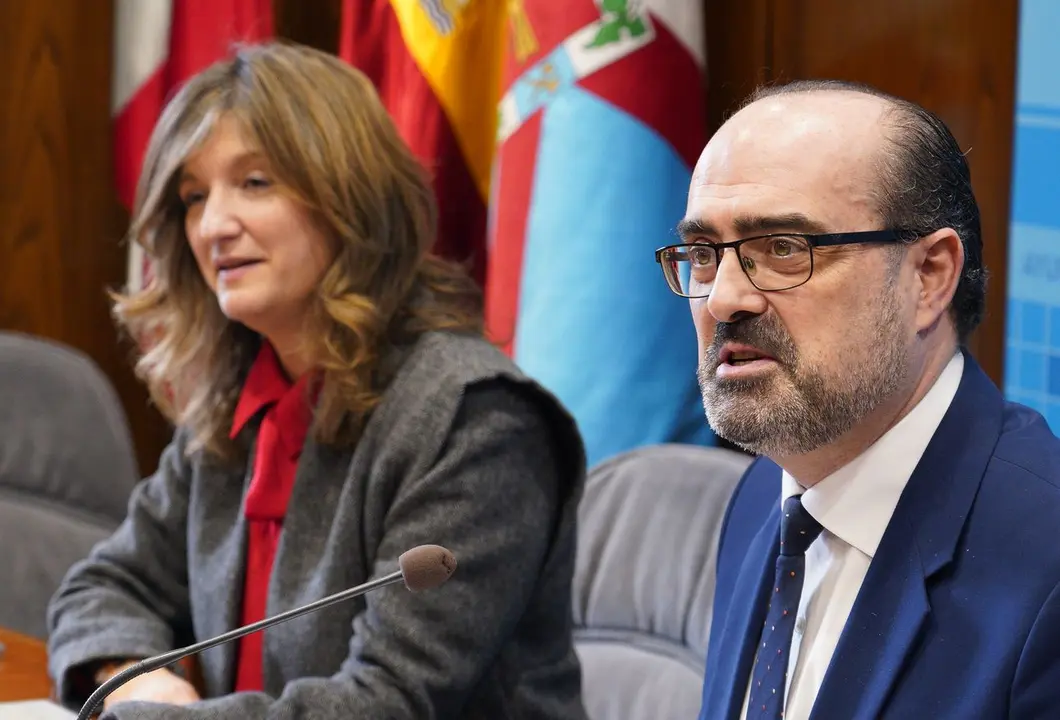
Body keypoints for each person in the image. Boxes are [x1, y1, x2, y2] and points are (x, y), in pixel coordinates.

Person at [46, 41, 588, 720]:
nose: (214, 224)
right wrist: (137, 682)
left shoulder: (476, 421)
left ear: (350, 195)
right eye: (192, 196)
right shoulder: (243, 400)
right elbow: (101, 587)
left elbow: (385, 704)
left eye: (255, 182)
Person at [653, 79, 1060, 719]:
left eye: (784, 249)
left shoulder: (1046, 570)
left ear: (929, 277)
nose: (725, 298)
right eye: (704, 255)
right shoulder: (764, 493)